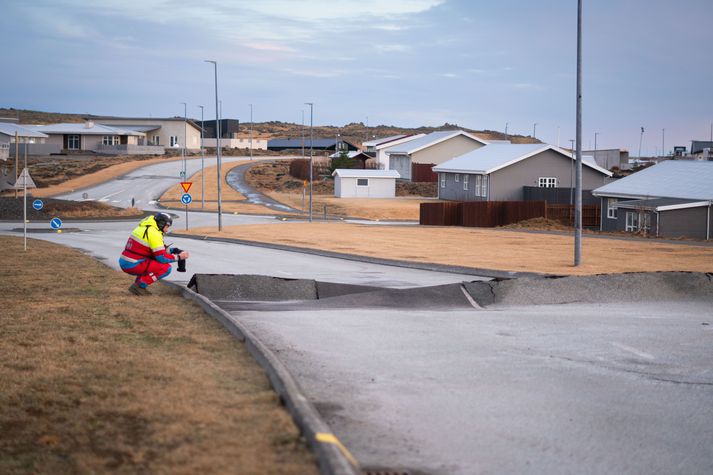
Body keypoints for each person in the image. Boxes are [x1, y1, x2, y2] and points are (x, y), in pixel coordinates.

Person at [119, 212, 189, 296]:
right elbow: (161, 257)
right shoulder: (154, 233)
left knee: (153, 262)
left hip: (127, 261)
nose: (167, 230)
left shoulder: (146, 227)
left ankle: (139, 284)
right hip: (133, 264)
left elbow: (154, 250)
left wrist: (174, 250)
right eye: (167, 226)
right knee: (166, 268)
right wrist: (179, 257)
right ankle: (139, 286)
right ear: (161, 224)